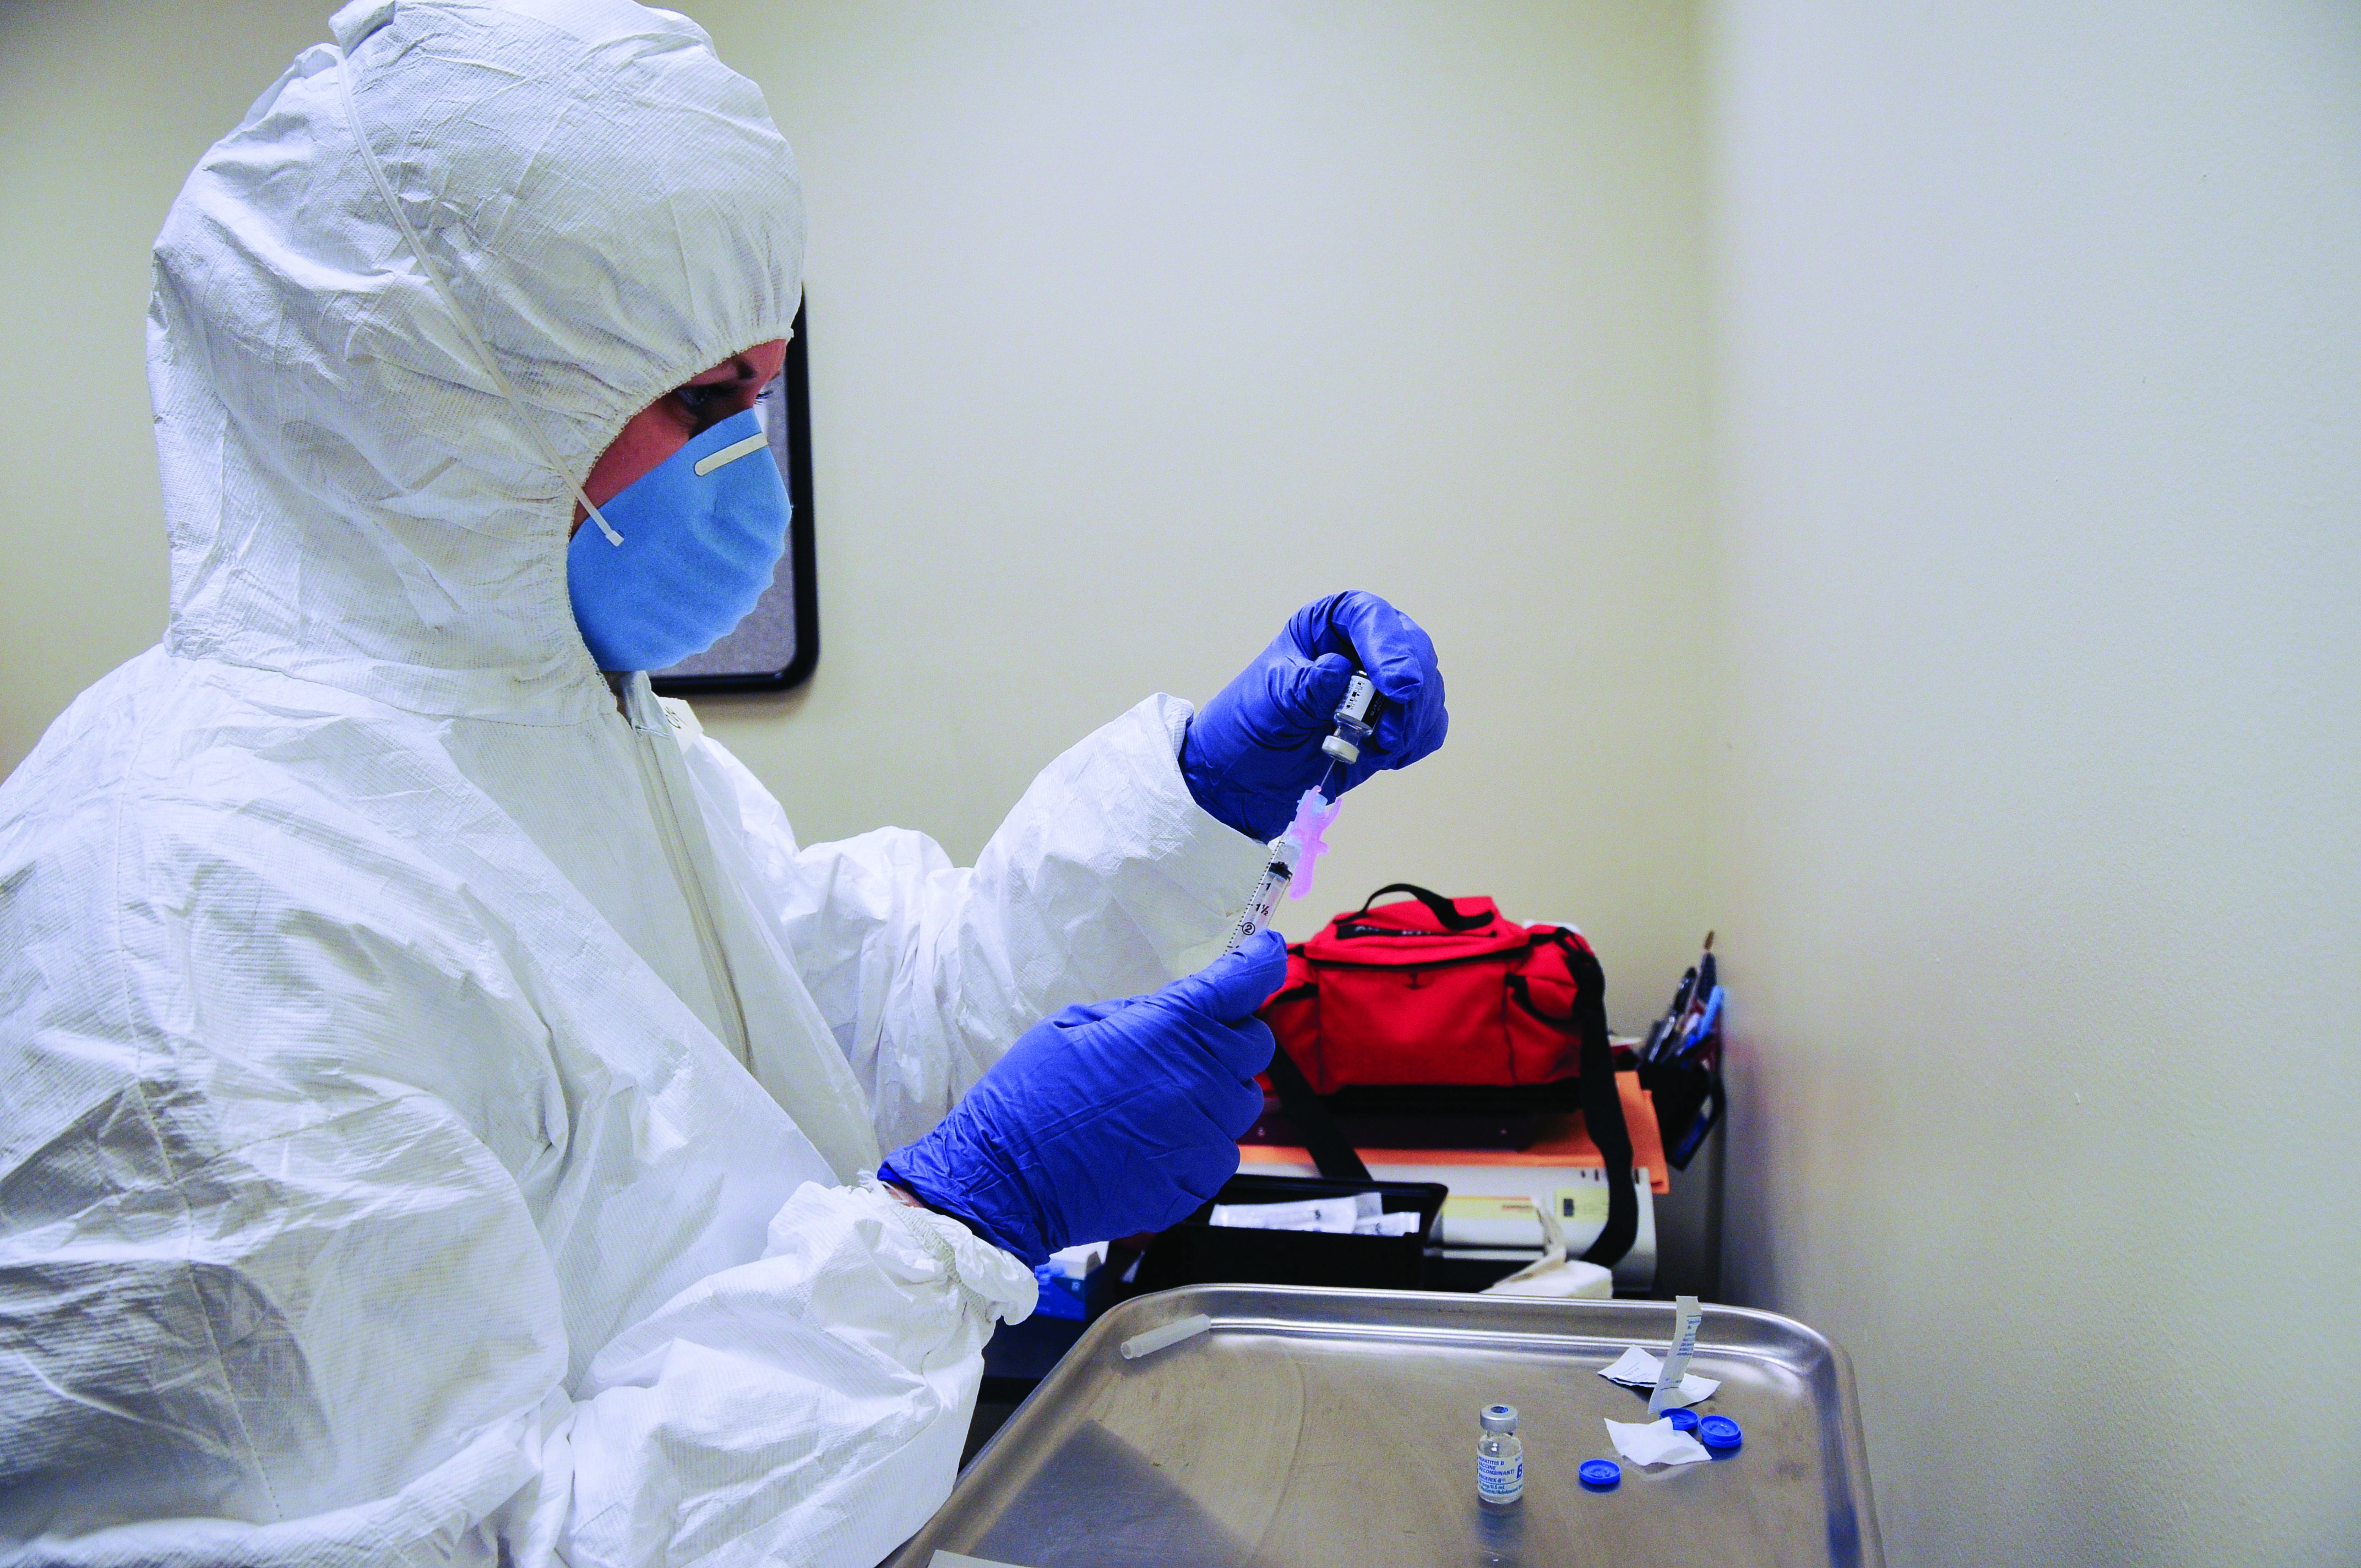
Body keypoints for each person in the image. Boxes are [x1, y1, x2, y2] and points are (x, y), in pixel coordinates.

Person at [0, 3, 1447, 1566]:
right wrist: (959, 1223)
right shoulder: (190, 912)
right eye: (698, 401)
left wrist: (1194, 802)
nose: (750, 461)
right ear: (434, 398)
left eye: (764, 388)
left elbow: (883, 1025)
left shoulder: (575, 741)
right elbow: (481, 1546)